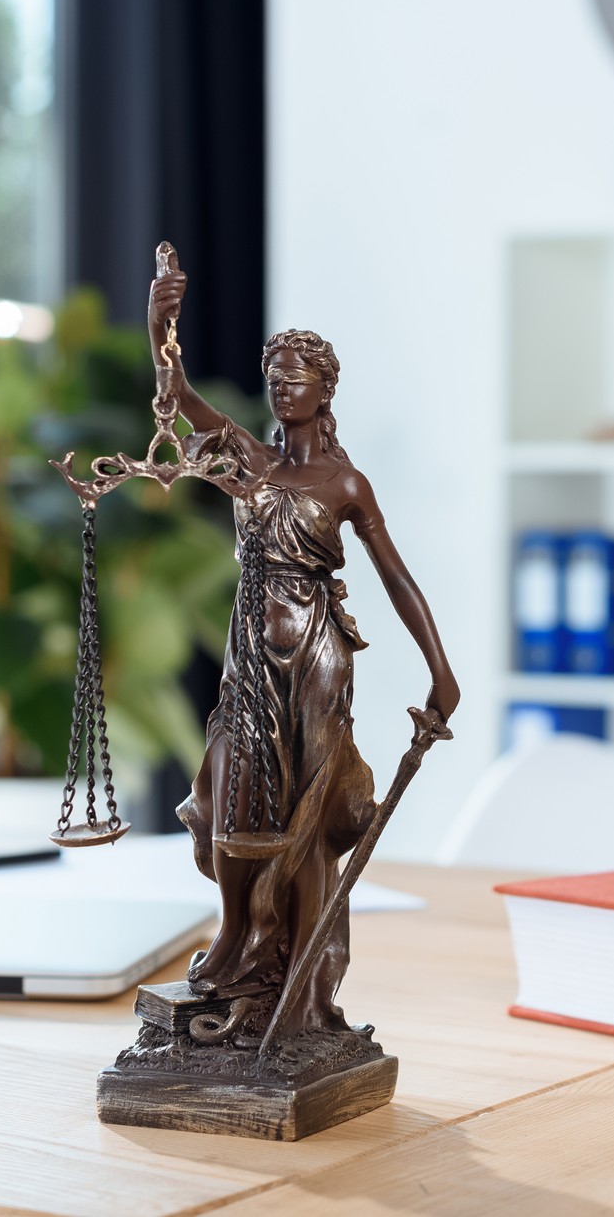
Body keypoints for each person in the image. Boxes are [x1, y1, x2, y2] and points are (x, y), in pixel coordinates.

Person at [139, 256, 461, 1041]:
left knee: (308, 817)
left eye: (296, 378)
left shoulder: (346, 484)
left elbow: (397, 577)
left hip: (316, 656)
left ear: (325, 388)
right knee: (227, 788)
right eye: (274, 378)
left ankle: (304, 989)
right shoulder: (250, 459)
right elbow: (177, 397)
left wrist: (441, 668)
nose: (282, 389)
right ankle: (235, 944)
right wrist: (159, 323)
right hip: (250, 652)